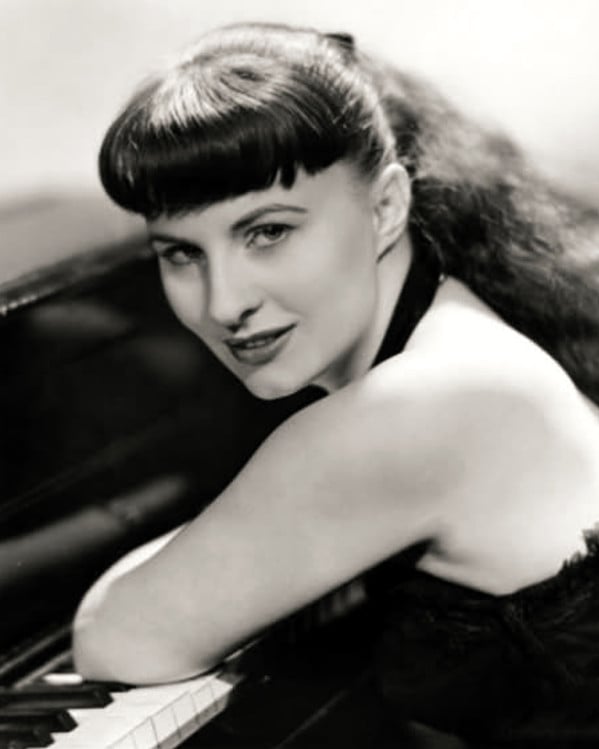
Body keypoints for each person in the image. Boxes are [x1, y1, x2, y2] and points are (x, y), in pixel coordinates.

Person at [73, 21, 599, 746]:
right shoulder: (455, 313)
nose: (224, 303)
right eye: (181, 253)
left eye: (267, 232)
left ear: (385, 207)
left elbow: (118, 638)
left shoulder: (421, 402)